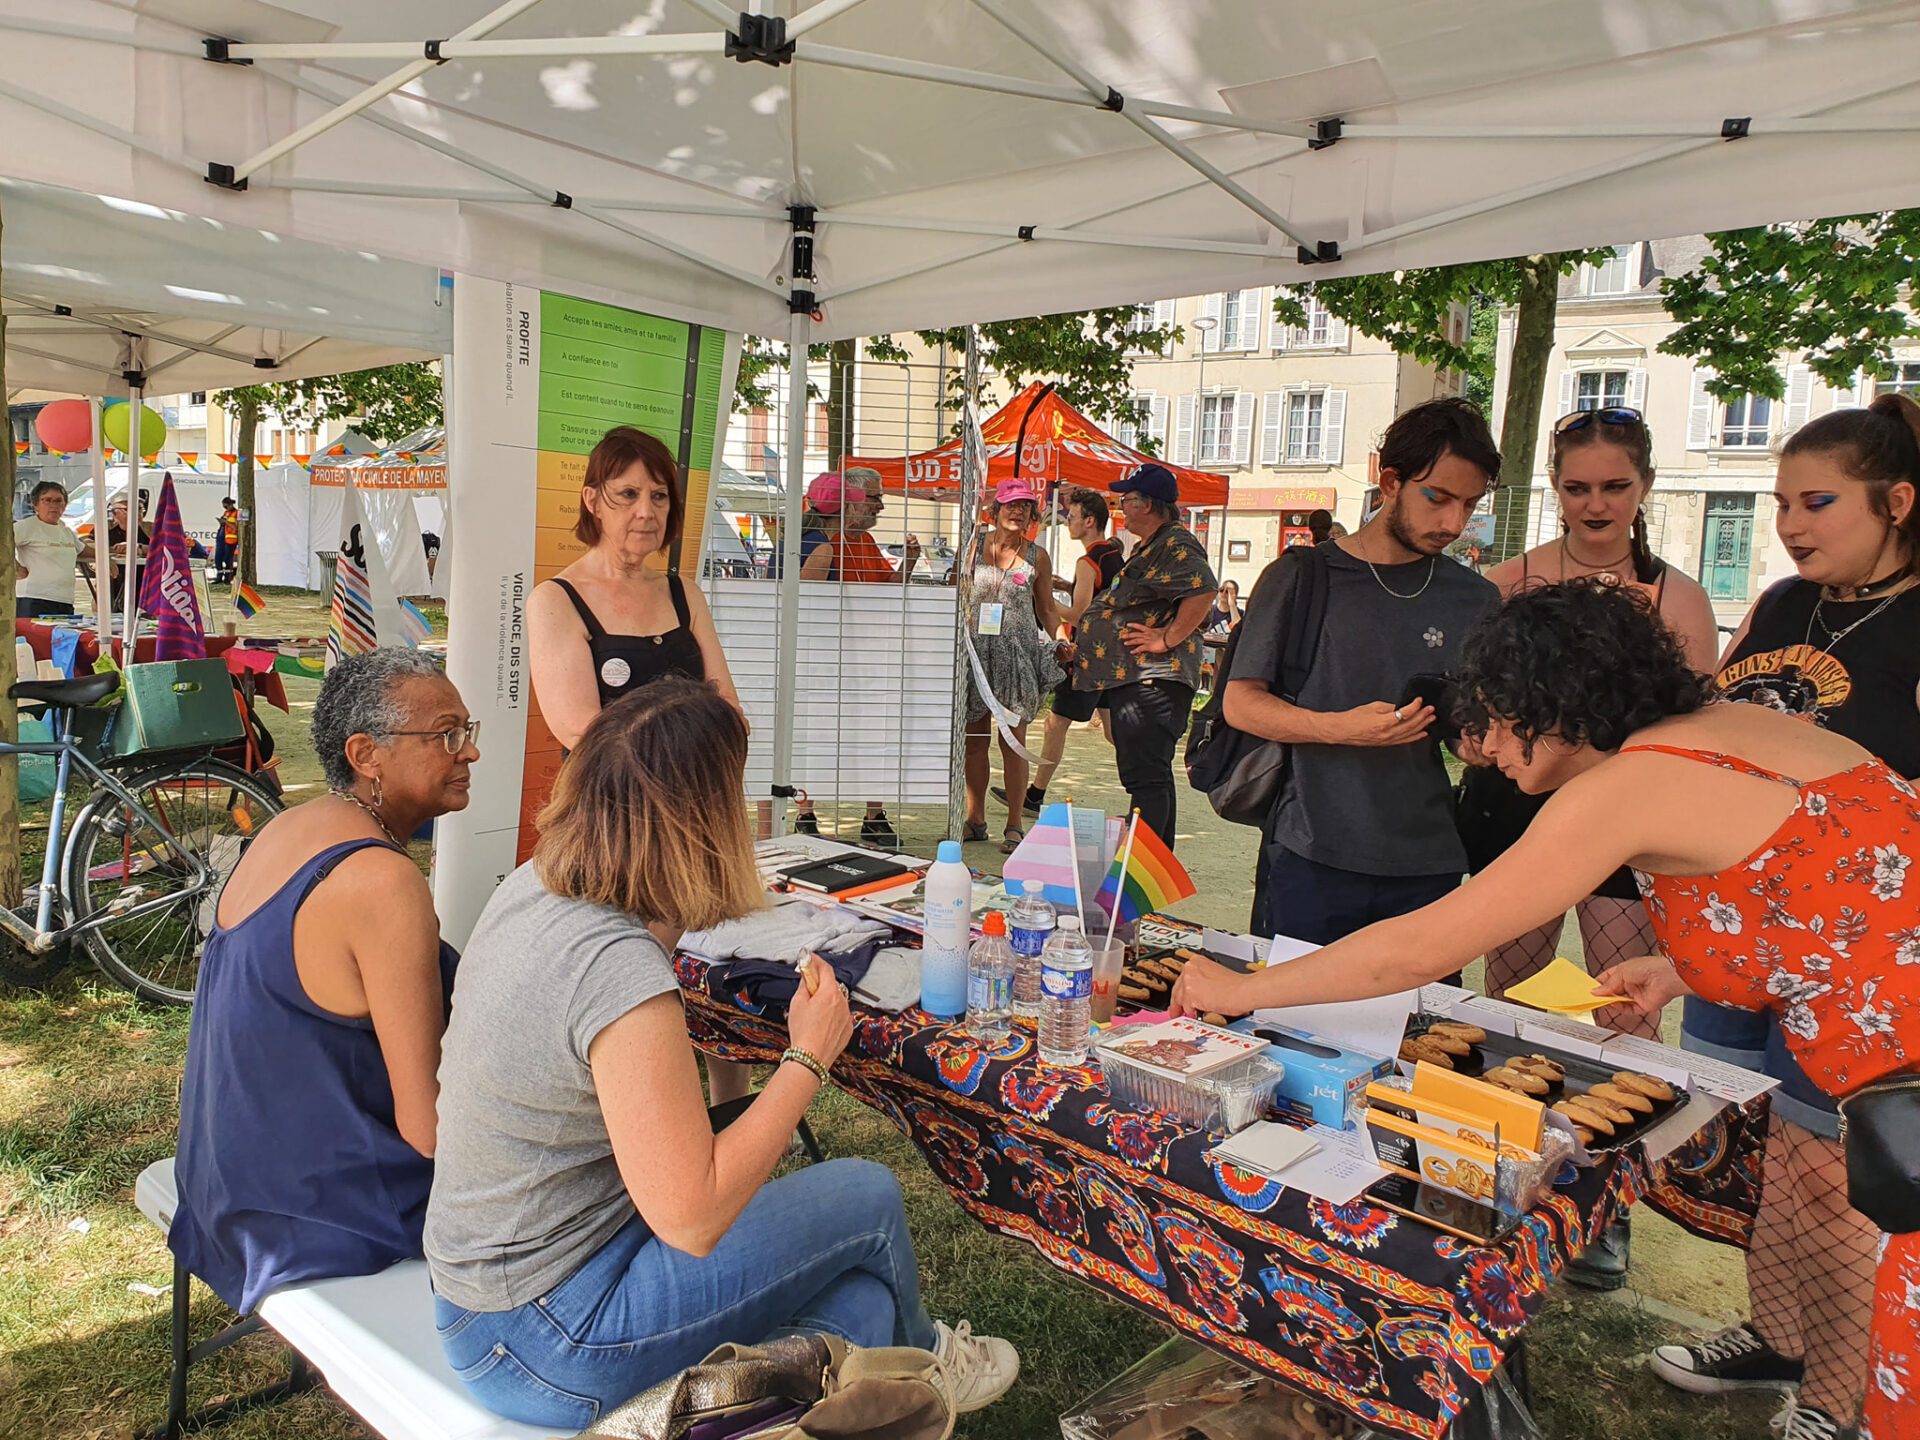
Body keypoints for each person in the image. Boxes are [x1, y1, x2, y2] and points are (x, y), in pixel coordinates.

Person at [1170, 582, 1920, 1440]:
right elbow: (1831, 893)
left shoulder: (1629, 785)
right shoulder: (1737, 731)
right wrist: (1681, 969)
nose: (1482, 751)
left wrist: (1241, 989)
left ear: (1554, 705)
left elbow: (1416, 948)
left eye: (1492, 720)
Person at [425, 679, 1018, 1430]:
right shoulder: (618, 974)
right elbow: (694, 1216)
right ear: (699, 818)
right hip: (548, 1338)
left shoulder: (535, 889)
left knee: (858, 1307)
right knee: (867, 1196)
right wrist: (808, 1059)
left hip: (494, 1299)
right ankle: (926, 1373)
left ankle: (799, 1398)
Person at [1648, 394, 1920, 1436]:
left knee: (1831, 1175)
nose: (1793, 524)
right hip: (1741, 933)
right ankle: (1777, 1336)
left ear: (1896, 501)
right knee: (1755, 1141)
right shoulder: (1779, 603)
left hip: (1856, 957)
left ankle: (1834, 1400)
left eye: (1818, 502)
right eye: (1780, 503)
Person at [168, 649, 474, 1315]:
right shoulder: (381, 879)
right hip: (319, 1215)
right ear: (366, 754)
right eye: (447, 735)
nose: (468, 753)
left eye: (467, 732)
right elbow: (429, 1131)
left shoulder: (293, 827)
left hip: (227, 1186)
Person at [527, 424, 749, 1105]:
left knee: (709, 971)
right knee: (631, 981)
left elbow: (730, 711)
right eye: (627, 494)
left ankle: (727, 1108)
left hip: (696, 823)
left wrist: (707, 794)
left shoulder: (682, 592)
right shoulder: (556, 601)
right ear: (594, 500)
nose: (645, 512)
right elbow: (581, 730)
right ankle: (636, 1116)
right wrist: (690, 769)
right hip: (613, 831)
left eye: (658, 495)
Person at [1223, 398, 1499, 941]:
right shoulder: (1301, 576)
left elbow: (1471, 726)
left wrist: (1476, 745)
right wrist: (1342, 729)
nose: (1454, 523)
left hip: (1429, 861)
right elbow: (1240, 702)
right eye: (1437, 498)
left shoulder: (1476, 598)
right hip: (1311, 850)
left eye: (1469, 505)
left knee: (1423, 1027)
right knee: (1295, 1021)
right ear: (1389, 480)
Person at [1071, 464, 1216, 849]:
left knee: (1145, 777)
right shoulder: (1155, 544)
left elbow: (1203, 589)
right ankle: (1153, 865)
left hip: (1152, 679)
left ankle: (1146, 865)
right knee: (1149, 776)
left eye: (1127, 500)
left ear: (1148, 504)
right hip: (1139, 678)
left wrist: (1166, 638)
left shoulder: (1175, 544)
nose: (1121, 507)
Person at [792, 466, 917, 849]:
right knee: (813, 733)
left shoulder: (863, 542)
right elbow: (806, 606)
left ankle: (873, 816)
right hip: (824, 658)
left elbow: (884, 592)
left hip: (863, 655)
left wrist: (908, 564)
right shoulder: (820, 543)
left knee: (870, 733)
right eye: (875, 498)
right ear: (851, 501)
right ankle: (804, 811)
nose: (880, 506)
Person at [996, 485, 1123, 819]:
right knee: (1112, 731)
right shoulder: (1111, 555)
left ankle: (1033, 795)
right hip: (1113, 655)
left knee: (1055, 724)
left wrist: (1043, 601)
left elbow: (1080, 614)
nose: (1068, 522)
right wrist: (1069, 588)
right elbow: (1102, 596)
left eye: (1073, 516)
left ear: (1090, 520)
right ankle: (1147, 783)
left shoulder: (1087, 560)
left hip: (1088, 656)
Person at [963, 478, 1062, 852]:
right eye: (1011, 505)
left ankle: (1015, 824)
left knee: (1013, 743)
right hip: (975, 656)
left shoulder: (1037, 556)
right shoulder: (973, 547)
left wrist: (1060, 639)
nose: (1018, 512)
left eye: (1025, 506)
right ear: (996, 510)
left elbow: (1048, 609)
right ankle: (975, 820)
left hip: (1016, 656)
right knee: (974, 741)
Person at [14, 481, 84, 619]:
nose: (54, 505)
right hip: (34, 599)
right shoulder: (26, 527)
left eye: (59, 501)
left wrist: (107, 556)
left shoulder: (65, 530)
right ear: (35, 504)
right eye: (47, 500)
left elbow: (83, 549)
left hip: (64, 601)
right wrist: (15, 568)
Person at [213, 497, 240, 585]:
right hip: (221, 538)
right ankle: (219, 576)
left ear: (231, 504)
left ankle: (227, 578)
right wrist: (221, 522)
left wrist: (226, 522)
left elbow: (235, 527)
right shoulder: (226, 513)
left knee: (228, 559)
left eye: (226, 506)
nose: (225, 508)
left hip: (230, 540)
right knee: (218, 558)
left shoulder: (236, 513)